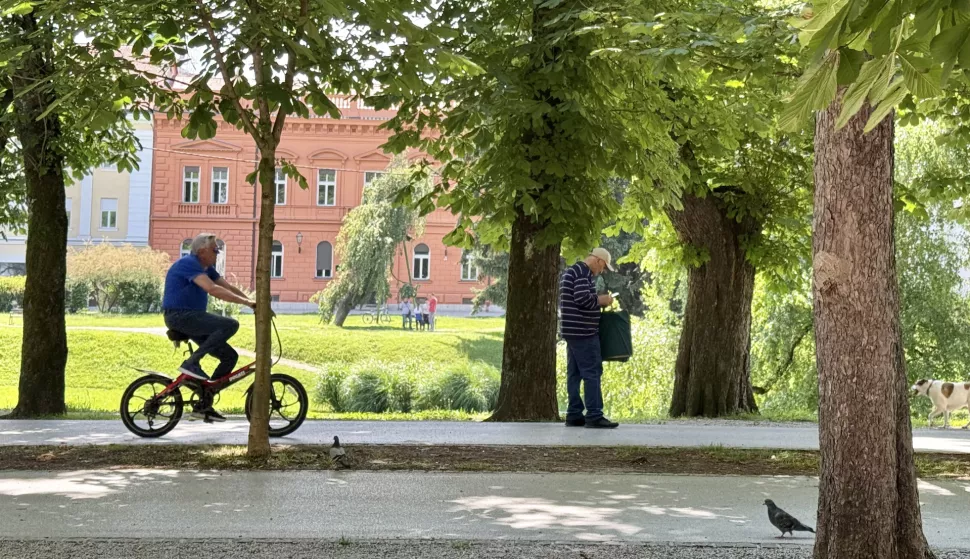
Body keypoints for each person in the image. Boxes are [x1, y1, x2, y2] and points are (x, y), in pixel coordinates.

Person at [162, 233, 256, 422]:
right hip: (180, 316)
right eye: (215, 250)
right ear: (202, 251)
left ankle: (204, 405)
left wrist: (253, 303)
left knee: (229, 357)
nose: (217, 253)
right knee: (231, 324)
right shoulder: (189, 264)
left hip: (192, 318)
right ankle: (192, 362)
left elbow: (226, 287)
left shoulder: (207, 268)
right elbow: (212, 289)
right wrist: (248, 303)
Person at [559, 247, 618, 429]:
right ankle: (594, 414)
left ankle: (574, 413)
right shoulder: (582, 273)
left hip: (572, 331)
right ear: (598, 260)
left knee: (574, 374)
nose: (603, 271)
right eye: (604, 266)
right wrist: (602, 300)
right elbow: (582, 298)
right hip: (583, 332)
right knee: (592, 372)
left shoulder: (573, 271)